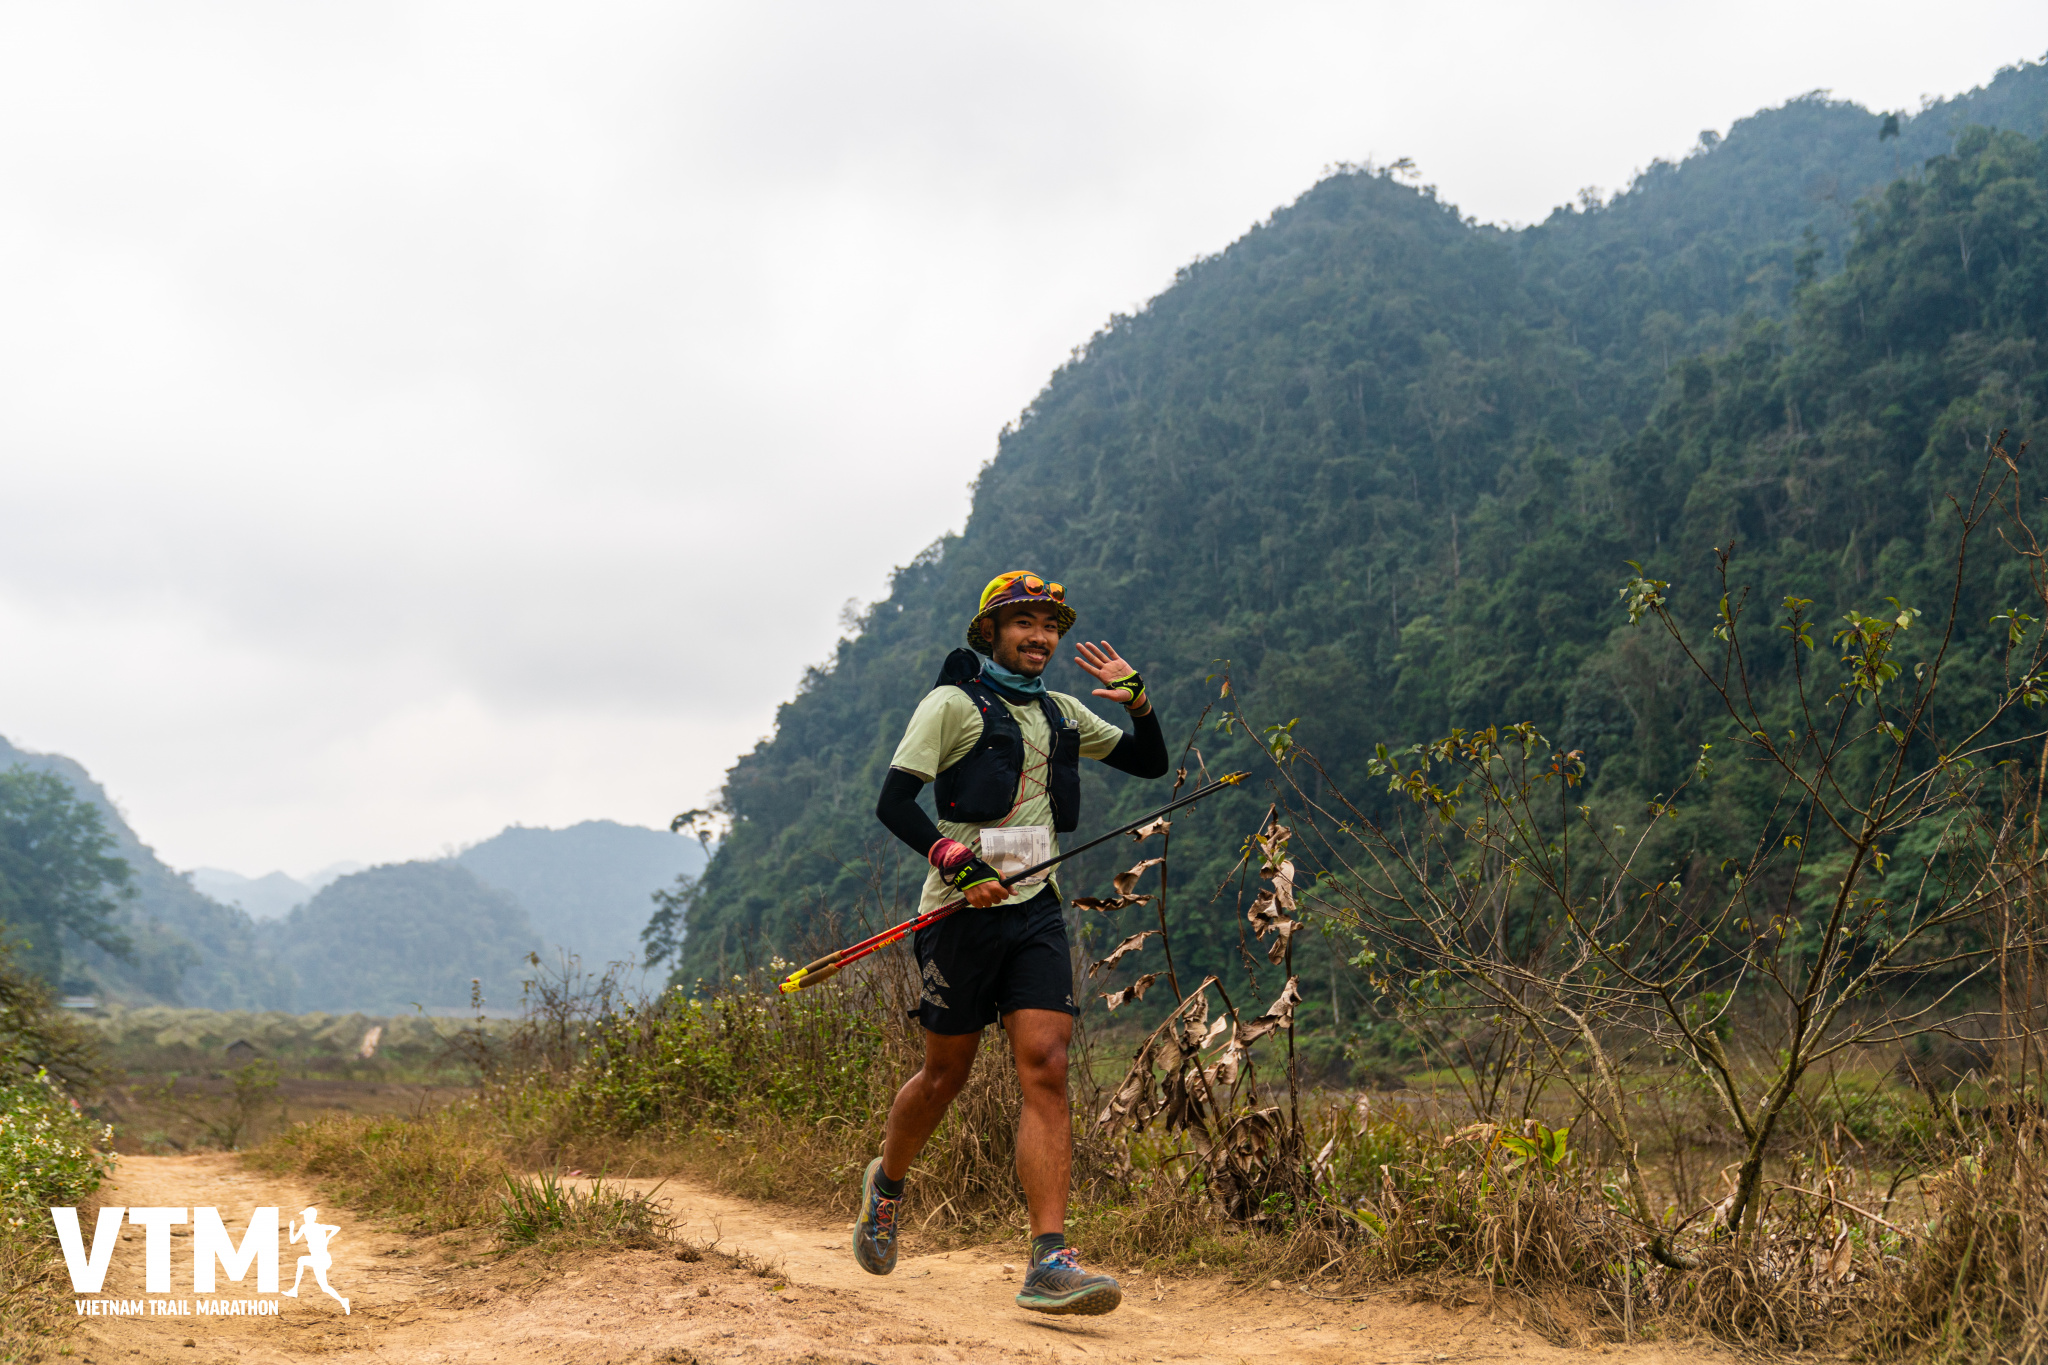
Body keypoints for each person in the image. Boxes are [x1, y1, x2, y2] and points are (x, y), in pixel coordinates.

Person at [855, 570, 1167, 1316]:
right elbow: (894, 802)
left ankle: (1048, 1260)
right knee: (944, 1076)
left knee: (1048, 1067)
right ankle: (887, 1184)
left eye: (1050, 624)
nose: (1040, 636)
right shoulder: (950, 705)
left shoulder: (1063, 713)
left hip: (1035, 912)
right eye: (1024, 622)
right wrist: (956, 863)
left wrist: (1138, 700)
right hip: (958, 915)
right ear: (989, 631)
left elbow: (1149, 762)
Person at [282, 1206, 350, 1313]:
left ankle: (294, 1290)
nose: (305, 1218)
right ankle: (343, 1301)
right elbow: (336, 1228)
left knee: (301, 1260)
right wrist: (327, 1238)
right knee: (324, 1287)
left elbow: (292, 1241)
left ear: (311, 1217)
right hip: (321, 1258)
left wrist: (291, 1229)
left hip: (320, 1258)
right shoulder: (319, 1227)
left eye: (306, 1216)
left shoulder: (306, 1227)